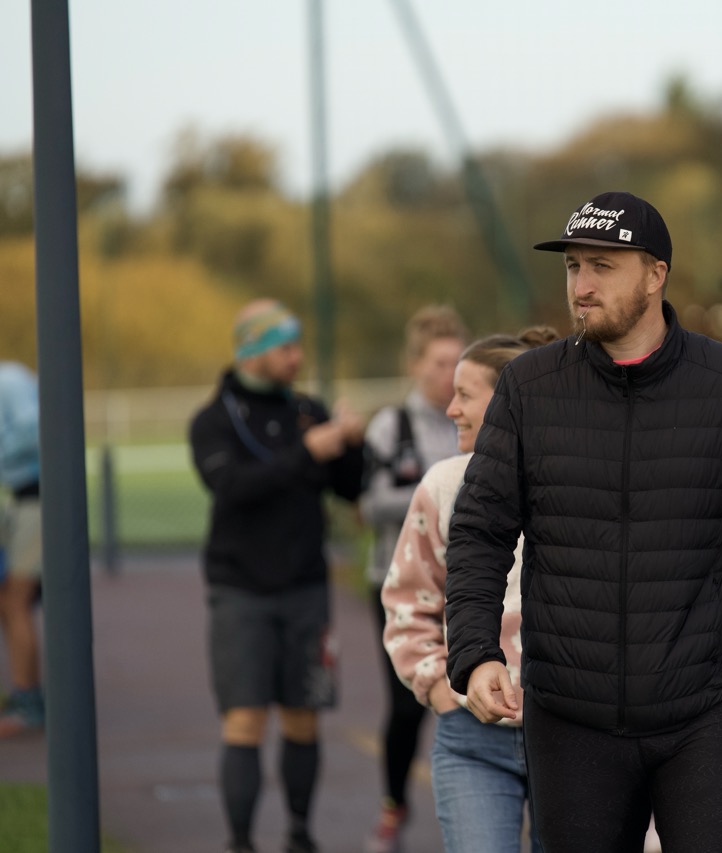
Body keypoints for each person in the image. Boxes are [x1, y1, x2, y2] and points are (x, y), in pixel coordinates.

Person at [444, 190, 722, 853]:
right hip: (570, 717)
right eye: (573, 266)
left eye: (603, 265)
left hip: (707, 711)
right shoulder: (529, 389)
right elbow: (480, 532)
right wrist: (476, 651)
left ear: (656, 274)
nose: (582, 285)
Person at [189, 299, 366, 853]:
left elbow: (350, 488)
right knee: (244, 721)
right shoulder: (213, 420)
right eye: (285, 347)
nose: (297, 357)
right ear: (253, 351)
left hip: (307, 588)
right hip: (239, 591)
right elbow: (232, 488)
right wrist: (306, 453)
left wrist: (351, 444)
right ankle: (240, 842)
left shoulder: (308, 410)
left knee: (303, 719)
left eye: (297, 346)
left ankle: (299, 835)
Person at [381, 326, 558, 853]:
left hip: (570, 737)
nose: (451, 409)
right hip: (472, 740)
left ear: (508, 402)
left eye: (465, 395)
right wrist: (440, 689)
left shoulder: (574, 483)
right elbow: (408, 602)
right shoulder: (442, 484)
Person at [360, 305, 468, 853]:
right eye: (438, 362)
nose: (448, 373)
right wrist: (437, 493)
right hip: (399, 583)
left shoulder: (476, 416)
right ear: (415, 365)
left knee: (469, 692)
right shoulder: (391, 426)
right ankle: (393, 807)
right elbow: (370, 503)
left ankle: (478, 808)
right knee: (407, 704)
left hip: (468, 586)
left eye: (456, 362)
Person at [0, 361, 44, 739]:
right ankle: (23, 693)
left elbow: (35, 429)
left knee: (16, 601)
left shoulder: (9, 380)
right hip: (21, 499)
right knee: (9, 601)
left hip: (38, 498)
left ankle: (28, 701)